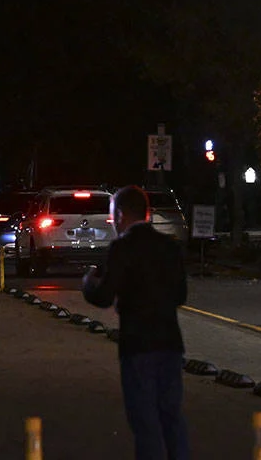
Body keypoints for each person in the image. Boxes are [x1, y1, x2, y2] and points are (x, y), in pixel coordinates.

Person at [83, 185, 189, 460]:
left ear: (120, 215)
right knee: (172, 418)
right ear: (147, 213)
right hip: (170, 343)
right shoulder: (170, 246)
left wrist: (89, 284)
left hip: (138, 345)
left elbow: (105, 296)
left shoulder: (122, 247)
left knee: (145, 422)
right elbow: (181, 295)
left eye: (112, 216)